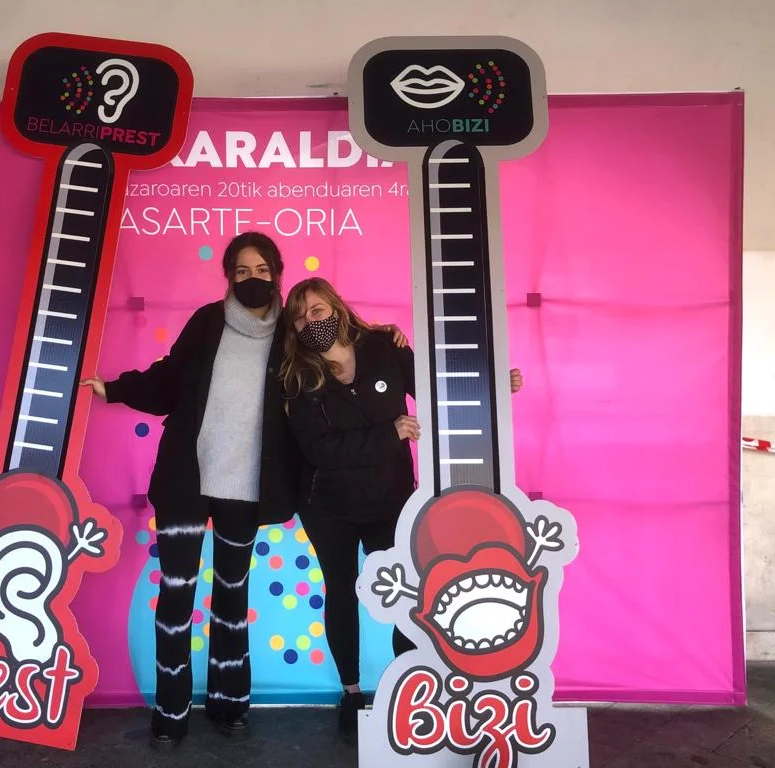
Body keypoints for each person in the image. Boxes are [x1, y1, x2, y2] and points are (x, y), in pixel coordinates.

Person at [79, 233, 404, 748]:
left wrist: (378, 334)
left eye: (262, 270)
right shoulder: (207, 322)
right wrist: (115, 388)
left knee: (232, 596)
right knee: (176, 594)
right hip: (186, 481)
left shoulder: (293, 338)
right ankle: (171, 709)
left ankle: (230, 701)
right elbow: (169, 378)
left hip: (248, 487)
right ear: (229, 276)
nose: (253, 279)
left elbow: (340, 354)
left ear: (277, 274)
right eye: (242, 271)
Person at [279, 276, 523, 741]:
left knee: (406, 595)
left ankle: (410, 685)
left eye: (317, 310)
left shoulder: (381, 347)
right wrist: (388, 434)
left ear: (336, 307)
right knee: (342, 592)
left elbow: (437, 389)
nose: (310, 321)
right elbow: (320, 451)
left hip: (390, 497)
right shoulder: (298, 378)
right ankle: (351, 694)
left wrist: (492, 386)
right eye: (300, 317)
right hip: (327, 504)